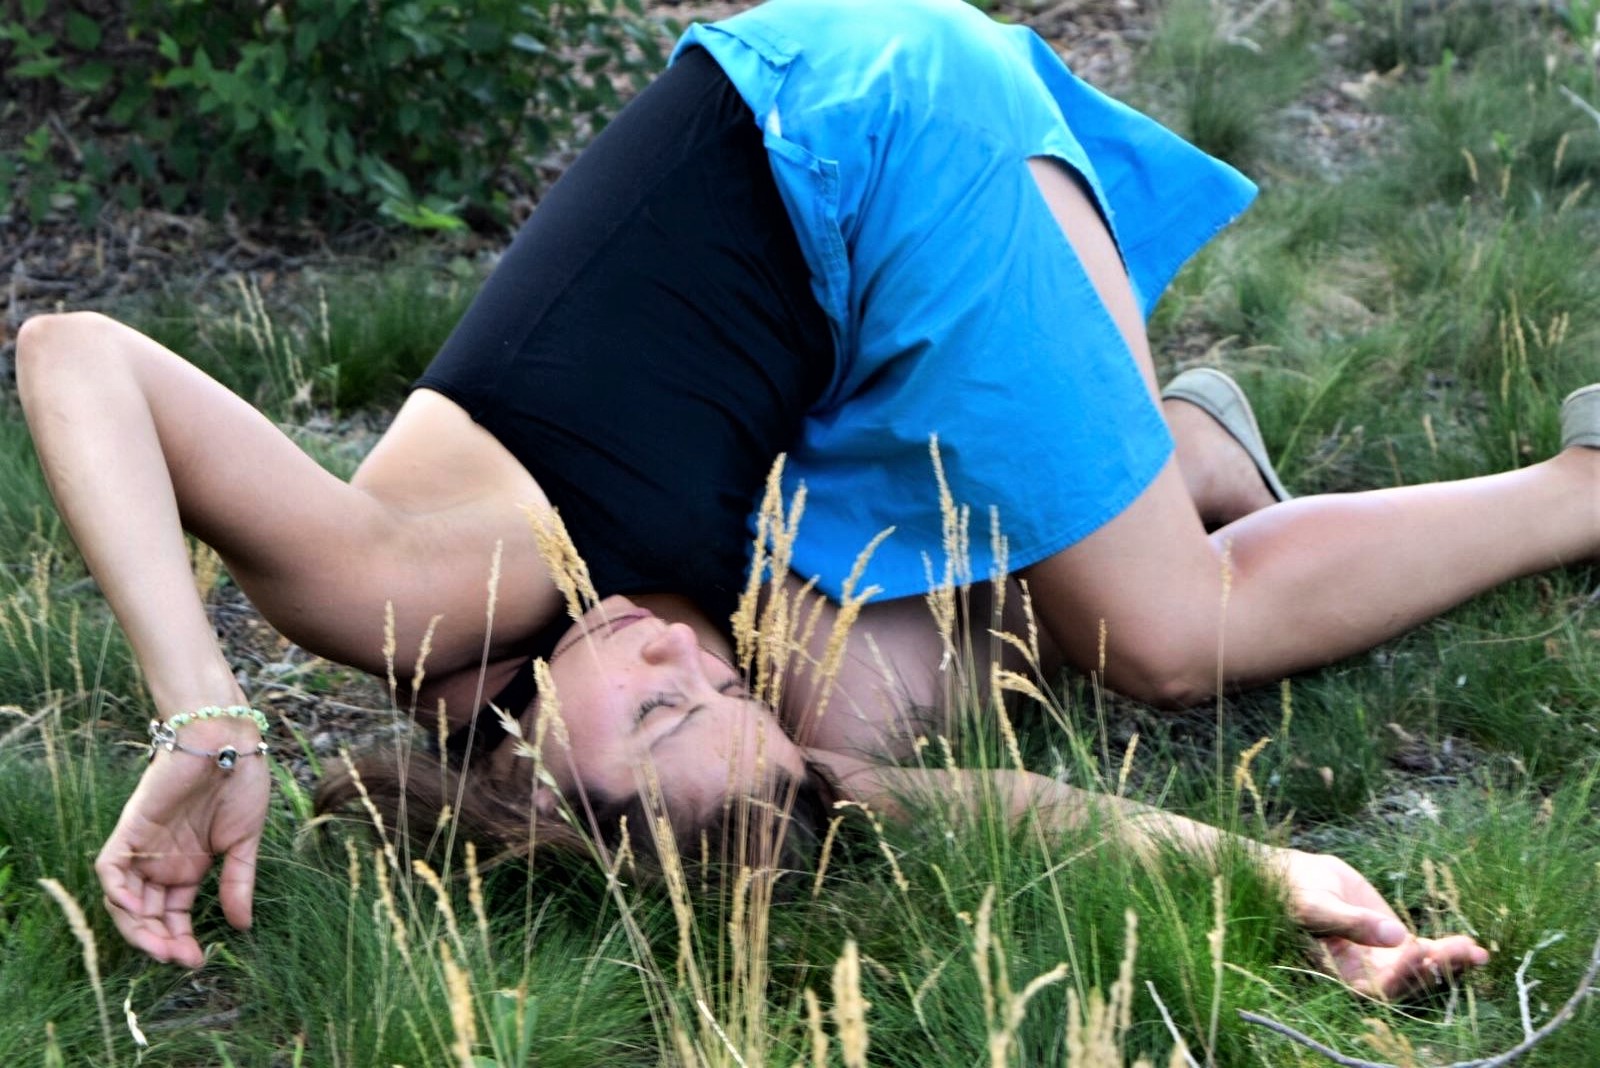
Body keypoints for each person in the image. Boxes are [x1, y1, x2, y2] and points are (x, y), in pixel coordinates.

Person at [16, 0, 1598, 1000]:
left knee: (1173, 635)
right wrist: (1275, 877)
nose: (681, 654)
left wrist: (204, 714)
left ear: (530, 789)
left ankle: (1570, 489)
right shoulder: (666, 733)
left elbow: (75, 354)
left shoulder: (395, 597)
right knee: (844, 713)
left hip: (859, 126)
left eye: (657, 705)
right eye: (707, 693)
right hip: (832, 301)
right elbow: (981, 806)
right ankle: (1170, 455)